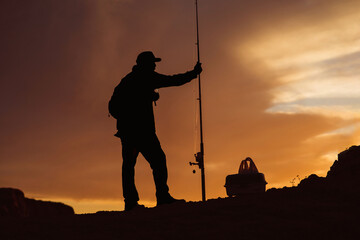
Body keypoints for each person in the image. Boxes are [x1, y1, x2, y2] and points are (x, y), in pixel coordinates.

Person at [110, 51, 202, 211]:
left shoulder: (128, 80)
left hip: (129, 132)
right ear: (145, 64)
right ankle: (161, 197)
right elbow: (173, 80)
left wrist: (147, 97)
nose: (154, 65)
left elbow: (117, 103)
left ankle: (132, 202)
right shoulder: (146, 77)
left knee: (130, 165)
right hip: (141, 132)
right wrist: (193, 73)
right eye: (152, 63)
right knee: (157, 161)